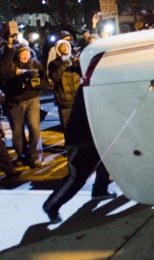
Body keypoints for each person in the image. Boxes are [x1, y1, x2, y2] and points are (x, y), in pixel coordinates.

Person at [43, 86, 116, 223]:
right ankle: (52, 204)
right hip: (81, 138)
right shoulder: (92, 87)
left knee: (105, 160)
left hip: (93, 135)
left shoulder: (95, 84)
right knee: (77, 176)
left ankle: (100, 189)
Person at [0, 41, 45, 168]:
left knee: (34, 128)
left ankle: (36, 156)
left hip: (32, 99)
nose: (25, 56)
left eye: (27, 53)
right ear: (17, 55)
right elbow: (3, 75)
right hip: (14, 102)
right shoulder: (10, 66)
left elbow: (45, 82)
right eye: (22, 53)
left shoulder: (36, 64)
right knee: (17, 131)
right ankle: (22, 155)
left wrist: (33, 83)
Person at [48, 40, 81, 130]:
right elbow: (55, 77)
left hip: (78, 99)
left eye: (67, 46)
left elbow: (83, 73)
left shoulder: (74, 60)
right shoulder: (54, 63)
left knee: (80, 126)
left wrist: (78, 64)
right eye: (62, 47)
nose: (65, 48)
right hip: (64, 100)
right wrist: (63, 65)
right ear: (58, 50)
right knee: (67, 127)